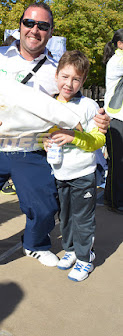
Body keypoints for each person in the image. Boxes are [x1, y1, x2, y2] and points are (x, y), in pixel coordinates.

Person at [0, 3, 110, 295]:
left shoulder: (55, 69)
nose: (35, 30)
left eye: (43, 25)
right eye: (29, 22)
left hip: (32, 149)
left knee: (45, 207)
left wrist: (98, 120)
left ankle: (35, 244)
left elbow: (73, 105)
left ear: (50, 31)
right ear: (20, 25)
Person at [43, 50, 105, 281]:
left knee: (83, 218)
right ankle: (70, 250)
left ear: (83, 80)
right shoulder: (47, 104)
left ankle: (84, 259)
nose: (69, 83)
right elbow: (42, 135)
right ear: (57, 75)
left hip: (83, 174)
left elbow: (98, 140)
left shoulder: (89, 106)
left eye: (76, 79)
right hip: (60, 173)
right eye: (65, 76)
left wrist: (74, 137)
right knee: (66, 215)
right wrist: (45, 143)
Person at [103, 29, 123, 215]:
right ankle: (115, 201)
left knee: (118, 162)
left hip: (120, 117)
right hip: (115, 118)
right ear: (120, 44)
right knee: (117, 162)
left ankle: (112, 197)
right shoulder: (117, 61)